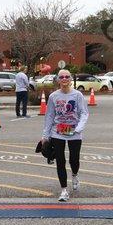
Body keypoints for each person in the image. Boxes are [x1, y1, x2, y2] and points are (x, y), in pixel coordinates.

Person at [41, 69, 89, 202]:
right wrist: (45, 135)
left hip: (74, 132)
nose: (64, 79)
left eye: (67, 76)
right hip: (58, 132)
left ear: (70, 79)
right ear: (58, 80)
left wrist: (79, 128)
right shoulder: (53, 96)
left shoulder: (77, 95)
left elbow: (84, 113)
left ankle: (75, 174)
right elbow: (49, 116)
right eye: (61, 77)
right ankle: (64, 190)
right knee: (60, 161)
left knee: (74, 160)